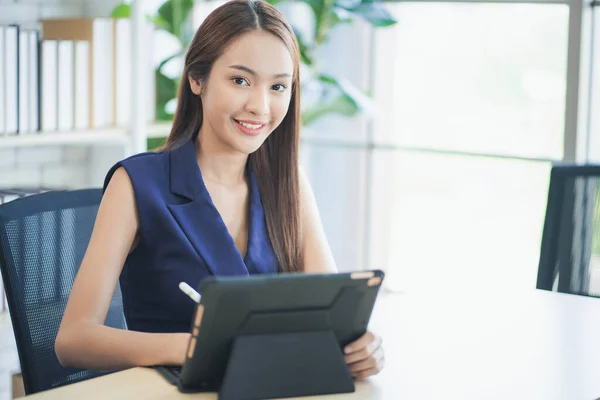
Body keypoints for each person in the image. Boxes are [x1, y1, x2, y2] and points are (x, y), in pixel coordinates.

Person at [55, 0, 384, 381]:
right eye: (240, 80)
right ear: (198, 78)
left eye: (278, 86)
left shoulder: (288, 182)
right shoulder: (137, 183)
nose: (260, 106)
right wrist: (193, 346)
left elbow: (333, 315)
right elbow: (73, 339)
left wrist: (361, 348)